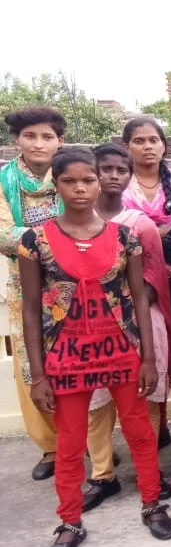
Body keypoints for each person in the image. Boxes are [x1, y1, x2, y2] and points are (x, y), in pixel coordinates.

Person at [19, 148, 171, 547]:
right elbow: (31, 309)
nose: (80, 188)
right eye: (70, 181)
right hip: (66, 356)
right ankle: (69, 522)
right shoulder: (34, 241)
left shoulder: (124, 237)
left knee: (140, 432)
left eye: (87, 180)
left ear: (98, 182)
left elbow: (140, 299)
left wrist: (148, 358)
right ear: (55, 185)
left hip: (121, 351)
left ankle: (152, 503)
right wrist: (38, 375)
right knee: (71, 443)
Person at [86, 143, 171, 509]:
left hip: (138, 323)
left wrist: (119, 310)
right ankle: (102, 475)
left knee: (144, 401)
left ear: (129, 176)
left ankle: (148, 471)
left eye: (120, 170)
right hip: (88, 326)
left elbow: (153, 278)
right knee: (95, 404)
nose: (112, 176)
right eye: (104, 169)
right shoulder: (72, 222)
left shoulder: (140, 224)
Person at [121, 117, 171, 452]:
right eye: (139, 141)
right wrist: (159, 232)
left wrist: (152, 233)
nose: (147, 147)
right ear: (127, 146)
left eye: (153, 140)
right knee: (152, 353)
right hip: (138, 280)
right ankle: (159, 427)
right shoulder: (120, 181)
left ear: (164, 145)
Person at [1, 106, 66, 480]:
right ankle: (51, 446)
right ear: (17, 140)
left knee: (77, 357)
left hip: (72, 282)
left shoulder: (71, 173)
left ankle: (93, 444)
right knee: (33, 362)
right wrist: (61, 238)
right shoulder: (4, 181)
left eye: (47, 136)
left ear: (60, 141)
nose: (39, 144)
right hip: (24, 285)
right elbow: (2, 233)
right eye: (30, 136)